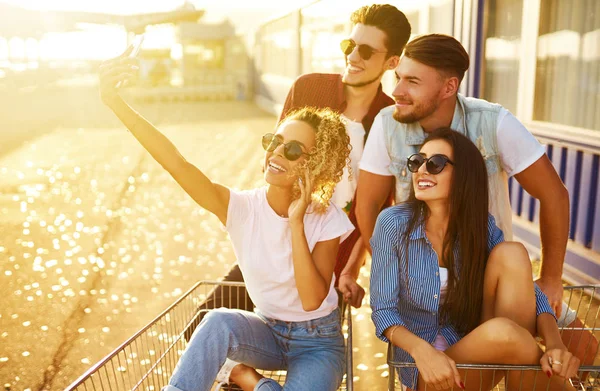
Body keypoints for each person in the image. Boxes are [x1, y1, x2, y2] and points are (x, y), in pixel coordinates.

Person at [99, 48, 354, 390]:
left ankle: (246, 379)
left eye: (292, 150)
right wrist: (115, 103)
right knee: (216, 320)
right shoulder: (240, 207)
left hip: (318, 343)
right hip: (266, 331)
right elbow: (175, 162)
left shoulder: (326, 219)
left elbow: (311, 299)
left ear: (315, 163)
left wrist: (295, 222)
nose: (276, 153)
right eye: (274, 142)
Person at [184, 3, 411, 331]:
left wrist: (351, 269)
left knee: (301, 353)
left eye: (366, 50)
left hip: (327, 259)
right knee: (204, 327)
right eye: (349, 45)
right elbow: (276, 162)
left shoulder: (391, 121)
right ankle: (243, 381)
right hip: (272, 240)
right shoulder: (309, 89)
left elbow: (375, 209)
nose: (353, 56)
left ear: (392, 62)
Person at [356, 33, 569, 316]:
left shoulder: (494, 122)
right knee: (500, 347)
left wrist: (552, 279)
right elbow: (367, 205)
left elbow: (554, 194)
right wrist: (394, 272)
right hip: (424, 282)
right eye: (398, 77)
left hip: (492, 275)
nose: (397, 91)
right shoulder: (387, 125)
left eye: (412, 81)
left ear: (449, 87)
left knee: (584, 346)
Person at [370, 127, 580, 391]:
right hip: (428, 371)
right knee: (506, 333)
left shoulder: (479, 226)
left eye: (435, 164)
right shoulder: (392, 224)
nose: (421, 170)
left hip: (479, 352)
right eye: (417, 161)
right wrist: (422, 351)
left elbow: (529, 291)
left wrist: (555, 343)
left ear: (463, 176)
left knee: (513, 254)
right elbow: (383, 311)